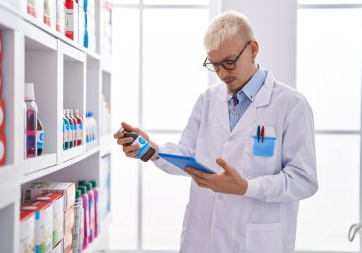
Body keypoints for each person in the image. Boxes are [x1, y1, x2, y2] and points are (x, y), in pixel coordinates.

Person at [115, 10, 318, 253]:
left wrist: (245, 187)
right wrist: (152, 149)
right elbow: (189, 154)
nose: (222, 73)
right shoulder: (208, 100)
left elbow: (304, 181)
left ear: (253, 49)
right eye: (215, 65)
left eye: (229, 62)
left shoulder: (291, 104)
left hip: (256, 242)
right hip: (203, 238)